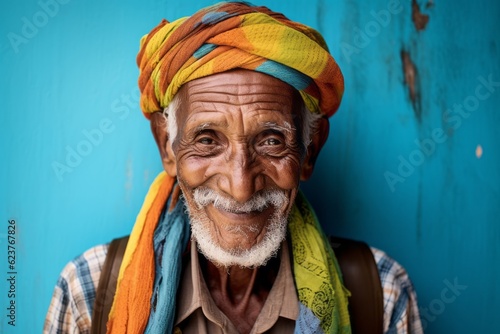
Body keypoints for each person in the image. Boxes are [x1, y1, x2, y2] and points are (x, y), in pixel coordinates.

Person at [44, 2, 423, 333]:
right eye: (207, 140)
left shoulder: (381, 293)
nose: (240, 187)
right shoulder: (88, 290)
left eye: (271, 141)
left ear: (309, 151)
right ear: (167, 147)